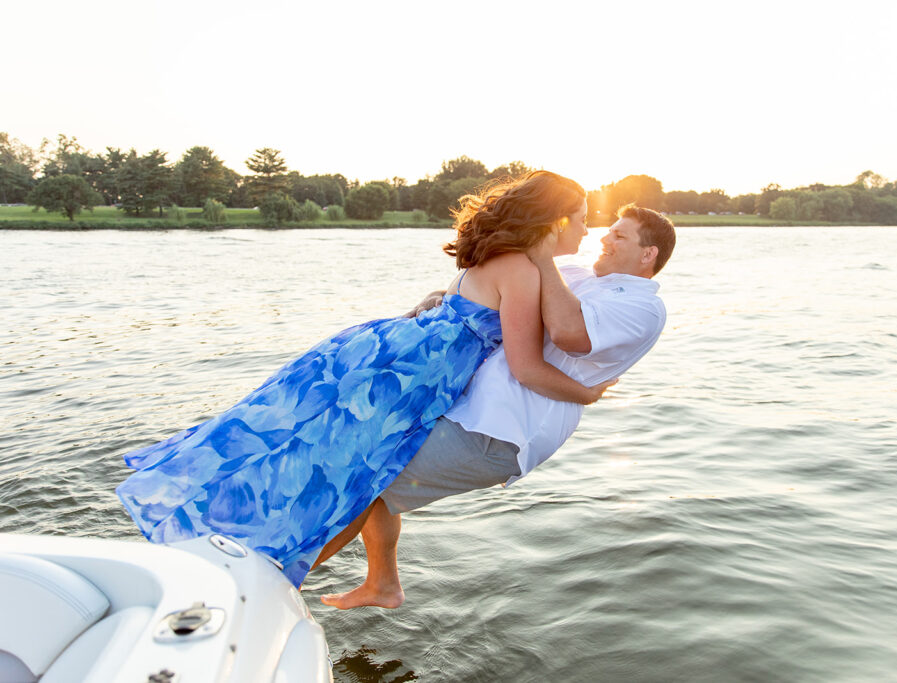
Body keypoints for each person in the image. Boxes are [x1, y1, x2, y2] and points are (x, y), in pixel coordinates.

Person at [116, 171, 616, 588]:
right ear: (557, 220)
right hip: (406, 380)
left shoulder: (490, 255)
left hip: (381, 350)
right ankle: (249, 577)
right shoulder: (522, 269)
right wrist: (586, 393)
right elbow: (528, 368)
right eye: (586, 218)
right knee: (341, 475)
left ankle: (214, 548)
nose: (589, 230)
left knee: (294, 443)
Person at [316, 204, 676, 609]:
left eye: (620, 236)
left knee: (365, 484)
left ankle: (280, 575)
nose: (604, 238)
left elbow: (568, 331)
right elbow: (503, 296)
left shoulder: (644, 308)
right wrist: (445, 297)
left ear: (649, 255)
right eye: (608, 230)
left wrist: (540, 256)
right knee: (367, 472)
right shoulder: (580, 275)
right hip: (466, 406)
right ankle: (382, 583)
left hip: (500, 429)